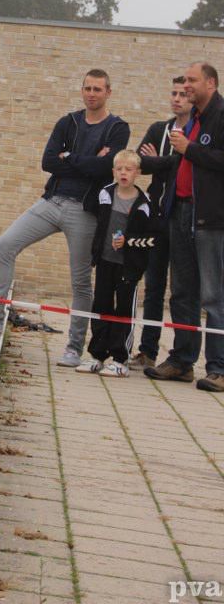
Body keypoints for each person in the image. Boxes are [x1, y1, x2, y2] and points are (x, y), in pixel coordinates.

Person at [0, 69, 130, 368]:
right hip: (51, 202)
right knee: (4, 244)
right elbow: (48, 162)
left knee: (79, 281)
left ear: (108, 92)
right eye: (87, 88)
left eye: (98, 89)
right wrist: (85, 161)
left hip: (84, 211)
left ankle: (74, 348)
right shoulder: (69, 122)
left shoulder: (117, 128)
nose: (91, 93)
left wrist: (70, 158)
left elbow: (105, 169)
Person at [145, 62, 224, 392]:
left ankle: (219, 368)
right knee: (182, 293)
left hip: (209, 218)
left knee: (213, 296)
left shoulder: (220, 116)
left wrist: (190, 149)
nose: (187, 86)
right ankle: (182, 361)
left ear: (211, 83)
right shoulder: (193, 119)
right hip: (179, 212)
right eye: (184, 81)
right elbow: (174, 162)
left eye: (192, 81)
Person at [129, 76, 191, 368]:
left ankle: (182, 357)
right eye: (174, 93)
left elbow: (195, 162)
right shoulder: (159, 129)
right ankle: (148, 350)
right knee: (153, 286)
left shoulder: (197, 132)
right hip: (156, 219)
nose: (177, 98)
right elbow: (140, 164)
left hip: (183, 218)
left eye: (183, 94)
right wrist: (172, 159)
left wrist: (163, 160)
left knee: (182, 291)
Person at [76, 150, 151, 377]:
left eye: (128, 169)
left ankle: (121, 358)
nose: (123, 173)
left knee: (123, 310)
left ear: (137, 173)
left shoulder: (144, 204)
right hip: (106, 261)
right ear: (113, 172)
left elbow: (151, 239)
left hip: (128, 266)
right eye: (119, 169)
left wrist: (128, 241)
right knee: (101, 306)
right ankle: (97, 354)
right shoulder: (105, 194)